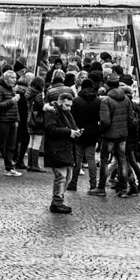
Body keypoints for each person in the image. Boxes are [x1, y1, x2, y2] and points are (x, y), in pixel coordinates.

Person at [41, 85, 83, 214]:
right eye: (67, 105)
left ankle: (58, 200)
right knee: (61, 176)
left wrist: (76, 131)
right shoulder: (51, 113)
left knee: (68, 177)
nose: (69, 108)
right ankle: (57, 202)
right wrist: (69, 132)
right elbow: (50, 129)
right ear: (60, 102)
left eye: (70, 106)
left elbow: (72, 125)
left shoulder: (66, 113)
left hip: (65, 148)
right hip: (56, 149)